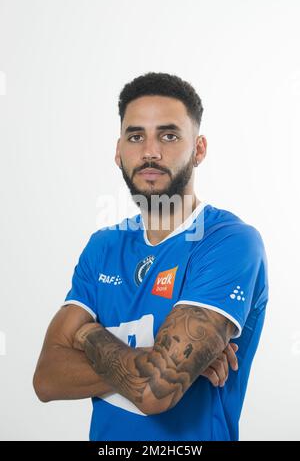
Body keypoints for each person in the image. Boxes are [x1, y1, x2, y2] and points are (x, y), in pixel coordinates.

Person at [33, 72, 269, 441]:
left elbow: (154, 392)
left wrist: (86, 333)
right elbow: (46, 378)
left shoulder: (230, 243)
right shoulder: (103, 246)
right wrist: (161, 363)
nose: (150, 151)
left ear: (199, 149)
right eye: (136, 136)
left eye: (169, 135)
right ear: (118, 151)